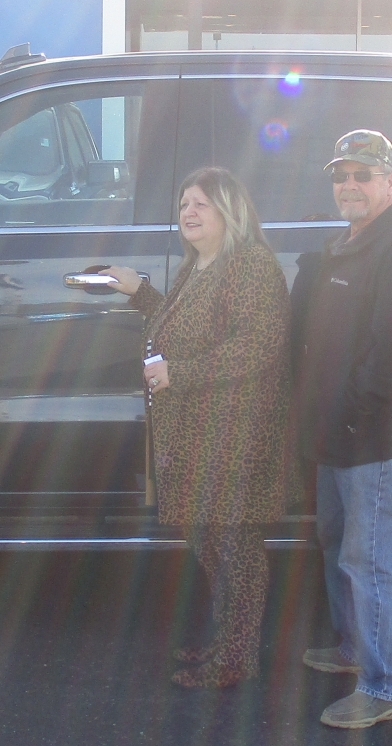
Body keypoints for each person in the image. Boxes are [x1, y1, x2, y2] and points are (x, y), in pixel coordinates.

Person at [104, 168, 290, 688]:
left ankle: (237, 659)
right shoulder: (198, 265)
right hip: (196, 431)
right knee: (209, 539)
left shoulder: (249, 264)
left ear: (230, 211)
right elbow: (180, 326)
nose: (188, 212)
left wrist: (178, 373)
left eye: (201, 204)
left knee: (234, 549)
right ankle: (228, 642)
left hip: (233, 432)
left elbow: (258, 344)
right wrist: (140, 291)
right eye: (184, 203)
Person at [290, 130, 392, 729]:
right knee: (337, 544)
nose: (349, 184)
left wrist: (349, 417)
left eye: (363, 175)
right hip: (334, 436)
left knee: (370, 561)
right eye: (341, 175)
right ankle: (353, 648)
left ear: (391, 183)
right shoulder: (345, 247)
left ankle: (384, 687)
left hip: (370, 440)